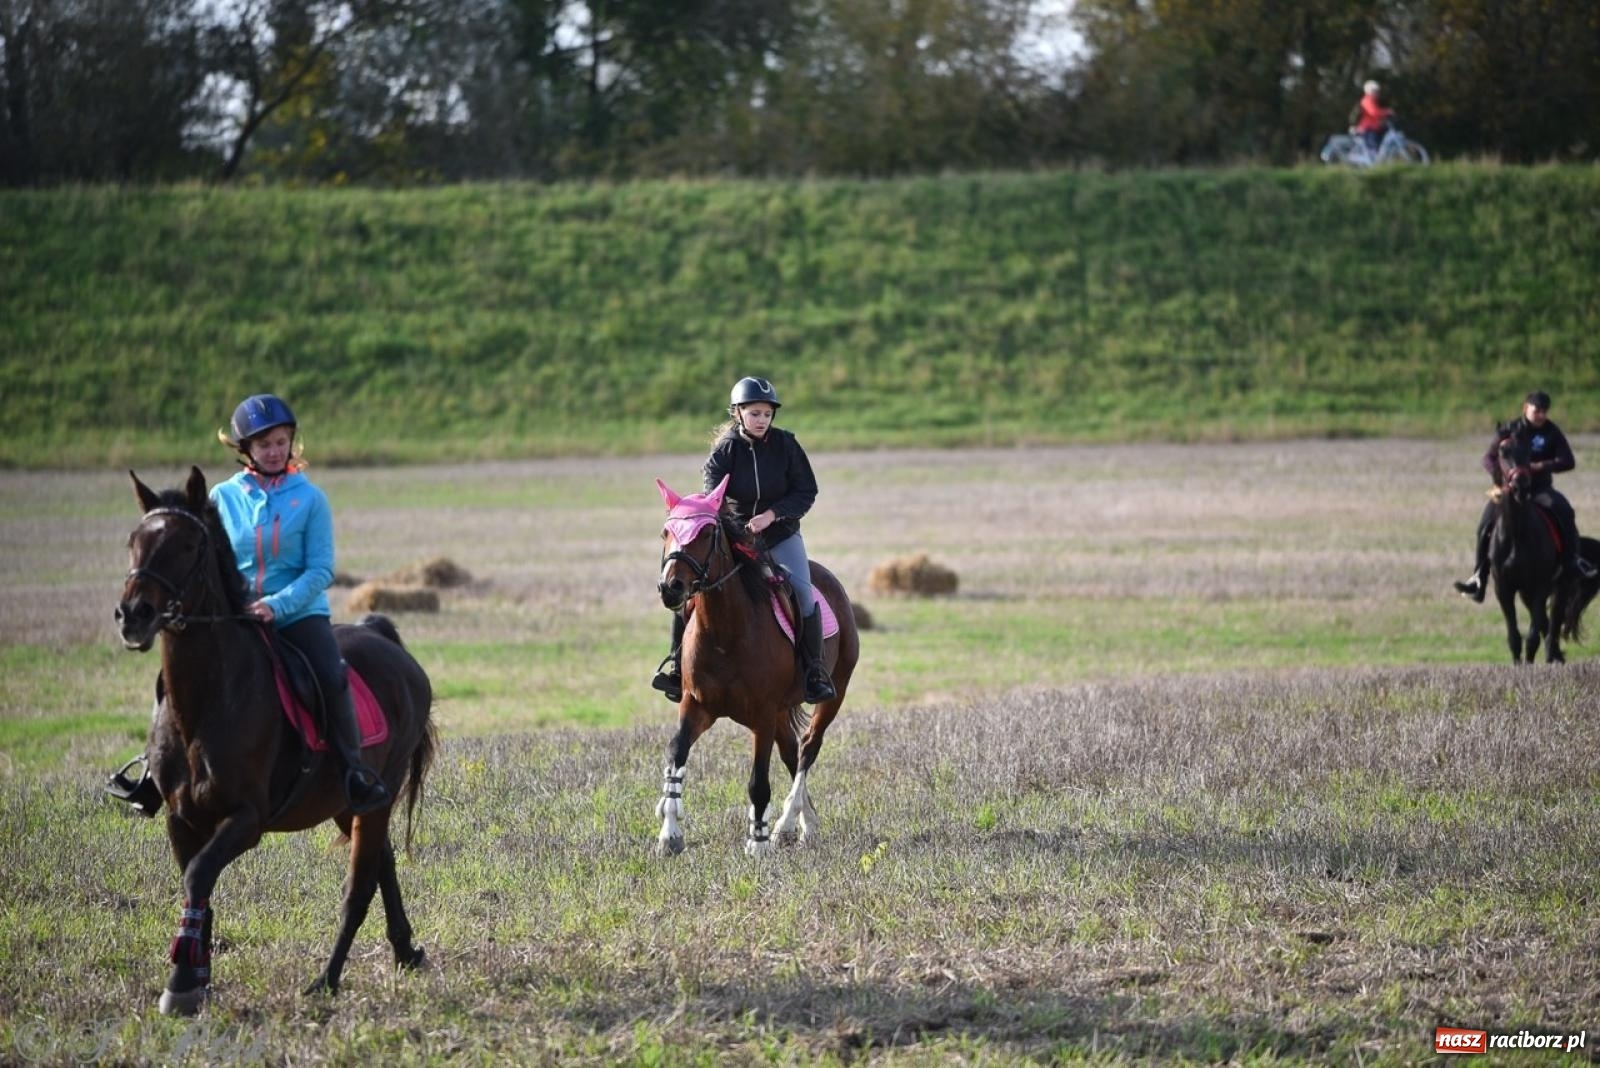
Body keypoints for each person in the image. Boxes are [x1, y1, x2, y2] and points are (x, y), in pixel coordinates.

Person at [106, 394, 391, 815]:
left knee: (331, 675)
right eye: (264, 445)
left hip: (299, 614)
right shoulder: (220, 498)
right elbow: (206, 559)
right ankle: (156, 773)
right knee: (170, 679)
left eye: (281, 442)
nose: (274, 451)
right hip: (233, 614)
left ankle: (354, 772)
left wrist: (277, 604)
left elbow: (321, 571)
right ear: (246, 451)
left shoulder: (310, 500)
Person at [652, 376, 837, 704]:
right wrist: (736, 526)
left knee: (804, 594)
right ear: (738, 413)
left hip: (781, 536)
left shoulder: (787, 446)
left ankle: (814, 672)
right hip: (737, 540)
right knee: (693, 590)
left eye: (767, 414)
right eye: (755, 413)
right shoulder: (725, 450)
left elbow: (806, 491)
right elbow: (712, 496)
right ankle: (676, 667)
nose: (762, 420)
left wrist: (773, 515)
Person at [1453, 389, 1597, 602]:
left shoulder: (1551, 432)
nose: (1541, 415)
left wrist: (1541, 465)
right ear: (1525, 408)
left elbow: (1568, 461)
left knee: (1565, 511)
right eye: (1537, 410)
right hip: (1509, 491)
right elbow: (1488, 458)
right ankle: (1479, 577)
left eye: (1544, 411)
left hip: (1539, 490)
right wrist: (1502, 478)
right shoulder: (1509, 431)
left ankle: (1572, 563)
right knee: (1484, 524)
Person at [1349, 79, 1392, 156]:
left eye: (1378, 91)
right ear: (1369, 91)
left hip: (1374, 127)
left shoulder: (1372, 100)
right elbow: (1374, 112)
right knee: (1372, 147)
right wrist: (1387, 112)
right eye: (1375, 90)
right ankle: (1371, 161)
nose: (1378, 93)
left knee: (1378, 143)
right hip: (1367, 128)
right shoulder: (1367, 100)